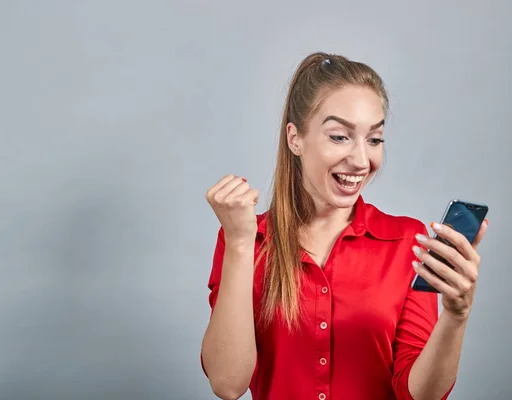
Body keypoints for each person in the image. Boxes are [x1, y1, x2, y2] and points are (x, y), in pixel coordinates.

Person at [200, 52, 488, 400]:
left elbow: (420, 395)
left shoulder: (407, 242)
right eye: (340, 137)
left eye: (374, 139)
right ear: (296, 139)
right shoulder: (248, 239)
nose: (361, 160)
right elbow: (227, 384)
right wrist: (241, 244)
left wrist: (456, 316)